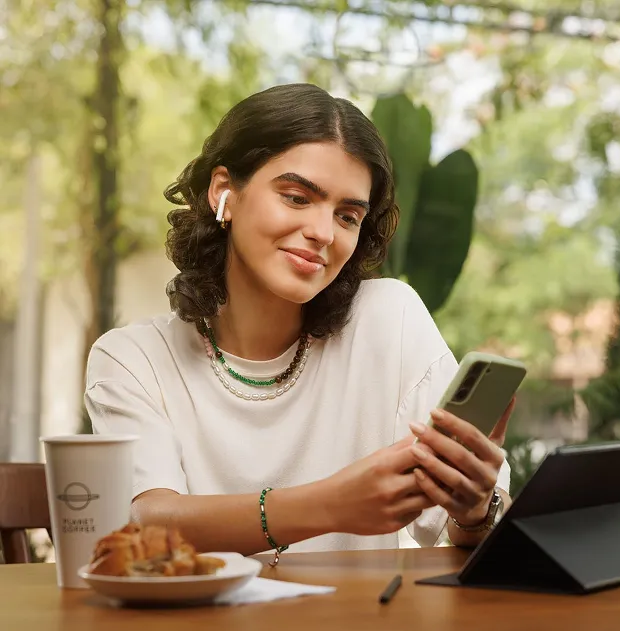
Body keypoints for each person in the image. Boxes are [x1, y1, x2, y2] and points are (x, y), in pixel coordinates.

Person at [85, 83, 514, 565]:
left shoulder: (388, 320)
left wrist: (474, 510)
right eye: (296, 197)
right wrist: (330, 505)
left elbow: (469, 533)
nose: (323, 233)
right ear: (224, 192)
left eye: (348, 216)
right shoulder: (133, 358)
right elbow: (150, 522)